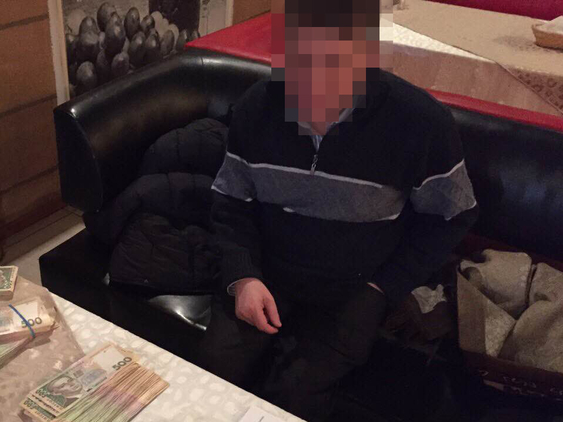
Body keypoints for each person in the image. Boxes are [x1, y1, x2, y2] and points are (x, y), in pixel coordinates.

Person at [198, 0, 479, 420]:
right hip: (268, 273)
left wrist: (382, 289)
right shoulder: (258, 106)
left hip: (355, 288)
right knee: (209, 376)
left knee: (294, 395)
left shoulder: (421, 123)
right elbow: (231, 199)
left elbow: (452, 216)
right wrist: (242, 276)